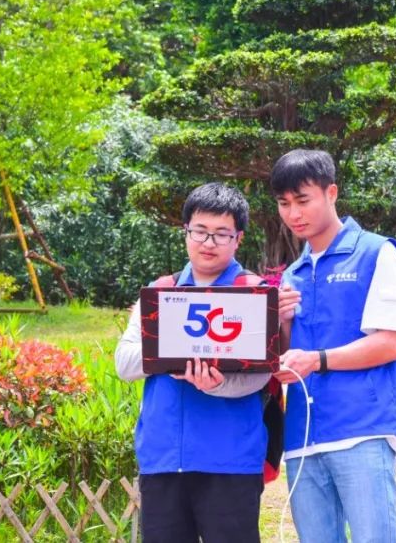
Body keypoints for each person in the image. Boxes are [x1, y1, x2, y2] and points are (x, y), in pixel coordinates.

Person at [273, 149, 396, 543]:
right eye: (284, 204)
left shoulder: (376, 252)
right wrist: (282, 324)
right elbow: (290, 357)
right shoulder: (293, 274)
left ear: (331, 192)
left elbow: (390, 344)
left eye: (303, 200)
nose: (293, 213)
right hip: (303, 437)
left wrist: (316, 360)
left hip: (362, 429)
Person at [115, 182, 269, 543]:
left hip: (230, 461)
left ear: (238, 239)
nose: (208, 242)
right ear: (186, 232)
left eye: (221, 234)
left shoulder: (253, 293)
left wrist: (216, 384)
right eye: (199, 231)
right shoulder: (160, 292)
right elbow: (124, 363)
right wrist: (171, 351)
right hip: (163, 459)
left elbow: (261, 376)